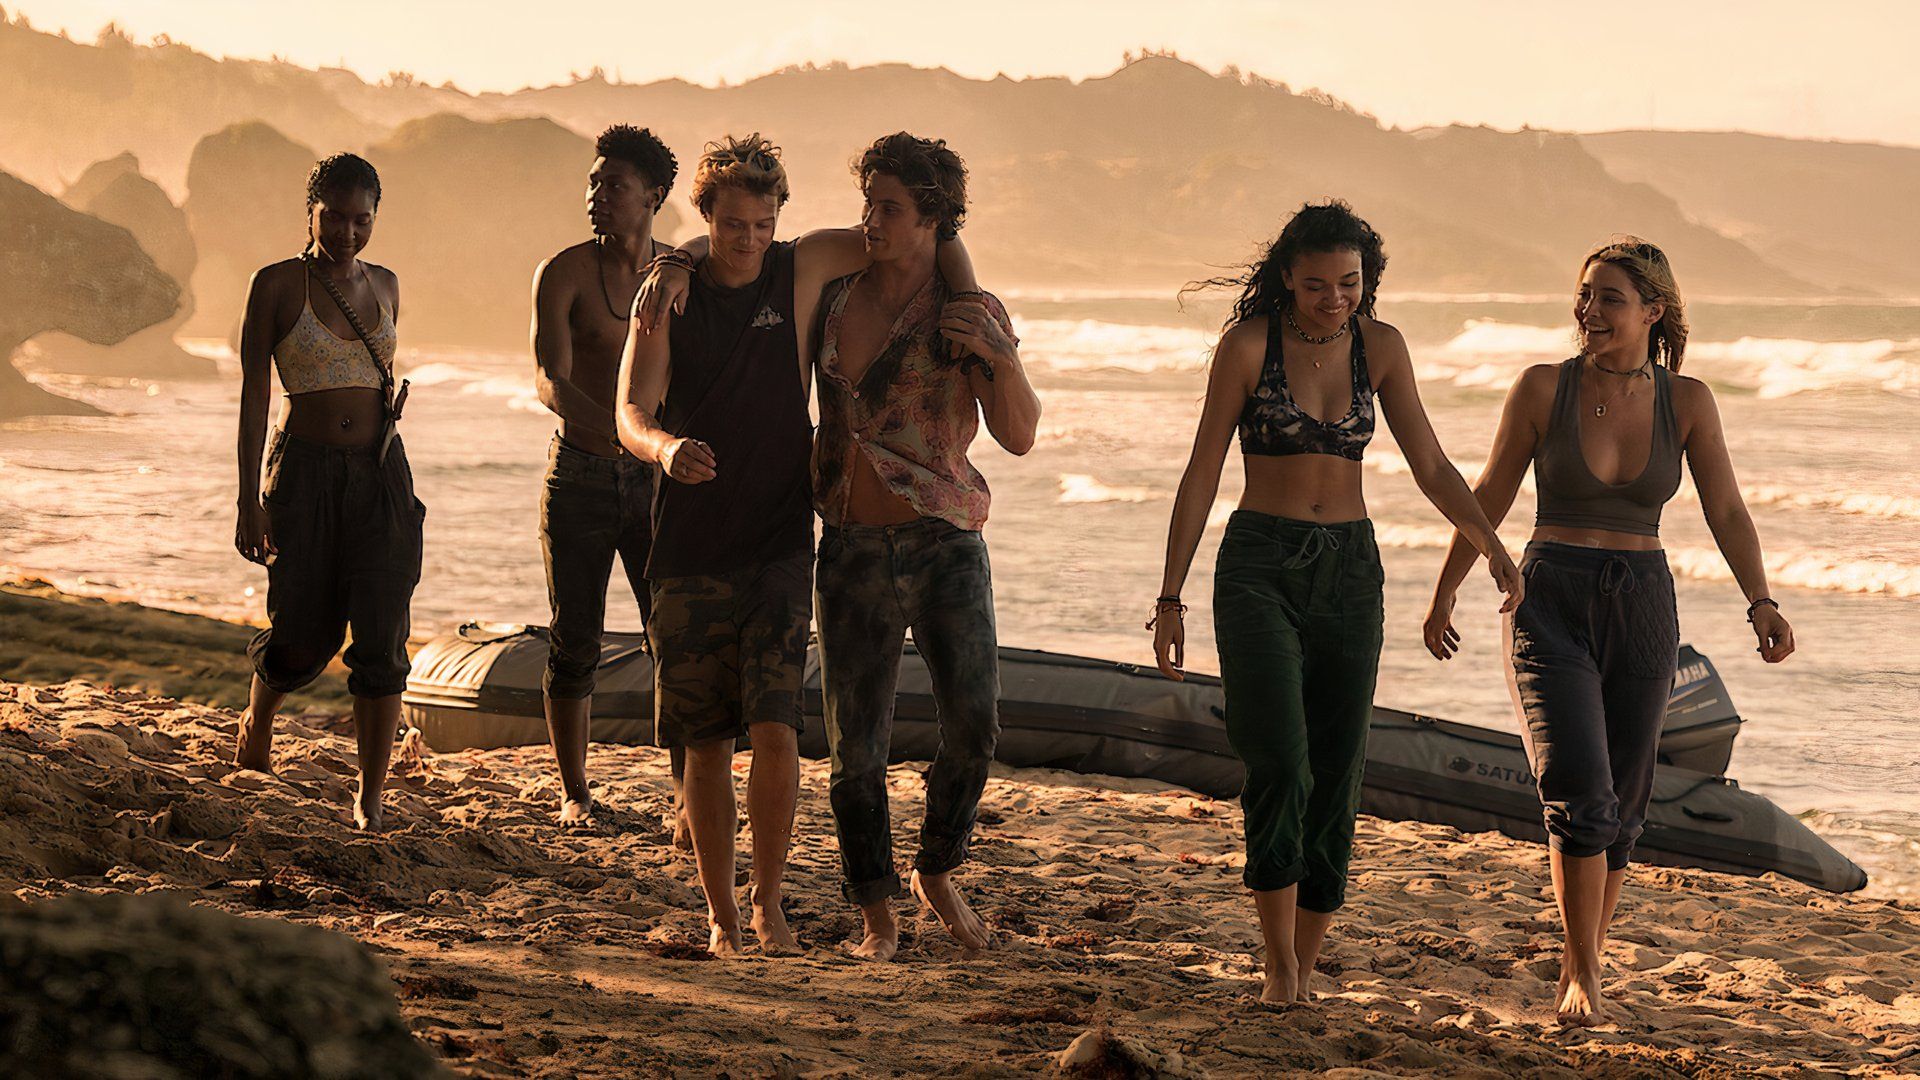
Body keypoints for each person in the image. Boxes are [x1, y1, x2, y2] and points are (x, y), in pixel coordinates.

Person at [614, 134, 978, 956]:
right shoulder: (670, 296)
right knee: (707, 746)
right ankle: (721, 916)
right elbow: (628, 411)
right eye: (732, 225)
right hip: (688, 548)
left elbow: (930, 231)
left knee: (776, 729)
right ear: (705, 218)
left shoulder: (800, 265)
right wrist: (665, 448)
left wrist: (972, 307)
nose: (748, 241)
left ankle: (770, 902)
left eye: (762, 224)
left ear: (778, 220)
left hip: (781, 537)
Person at [1151, 200, 1521, 1005]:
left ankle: (1303, 963)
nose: (1334, 299)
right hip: (1259, 565)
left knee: (1337, 768)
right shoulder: (1248, 346)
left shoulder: (1380, 348)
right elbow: (1203, 469)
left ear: (1368, 280)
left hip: (1351, 571)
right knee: (1279, 758)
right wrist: (1171, 595)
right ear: (1287, 276)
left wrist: (1489, 544)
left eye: (1349, 283)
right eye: (1317, 284)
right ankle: (1277, 958)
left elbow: (1430, 460)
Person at [1422, 237, 1796, 1026]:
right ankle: (1585, 971)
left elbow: (1725, 509)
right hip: (1547, 595)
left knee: (1623, 803)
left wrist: (1760, 600)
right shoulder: (1540, 389)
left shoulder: (1687, 401)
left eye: (1610, 298)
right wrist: (1446, 589)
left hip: (1644, 604)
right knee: (1577, 786)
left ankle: (1579, 959)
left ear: (1653, 311)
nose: (1589, 310)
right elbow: (1490, 489)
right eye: (1585, 293)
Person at [810, 133, 1041, 961]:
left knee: (975, 727)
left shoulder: (967, 313)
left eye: (890, 208)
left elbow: (1018, 435)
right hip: (850, 546)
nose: (871, 220)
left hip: (945, 542)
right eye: (868, 203)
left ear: (934, 219)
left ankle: (936, 868)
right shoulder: (833, 299)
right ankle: (875, 912)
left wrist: (999, 353)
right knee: (854, 749)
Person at [232, 152, 421, 832]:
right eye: (333, 217)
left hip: (380, 476)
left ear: (375, 216)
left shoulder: (389, 284)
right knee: (300, 634)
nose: (346, 232)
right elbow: (256, 394)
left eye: (360, 219)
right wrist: (248, 496)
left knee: (382, 632)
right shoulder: (278, 285)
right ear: (310, 210)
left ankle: (369, 795)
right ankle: (259, 719)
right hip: (304, 473)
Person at [530, 125, 687, 830]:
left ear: (653, 196)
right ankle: (575, 792)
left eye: (613, 186)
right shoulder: (561, 272)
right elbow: (548, 380)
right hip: (582, 475)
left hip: (657, 482)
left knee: (676, 635)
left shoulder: (680, 274)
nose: (597, 197)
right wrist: (619, 431)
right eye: (593, 183)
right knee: (576, 637)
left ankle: (688, 790)